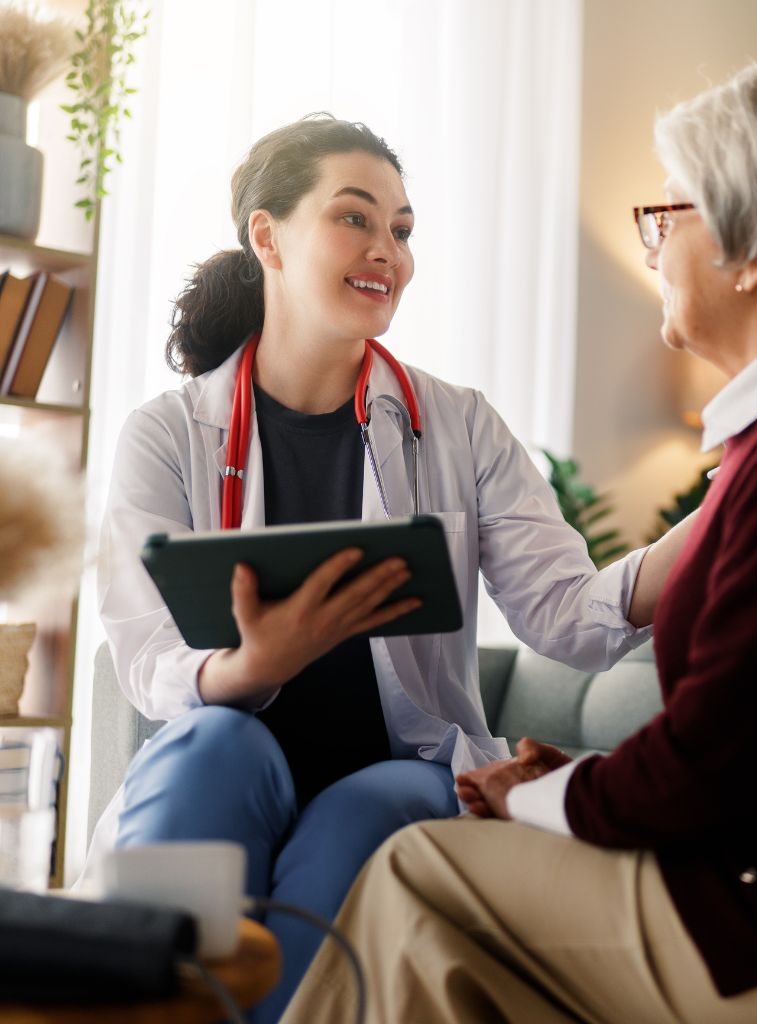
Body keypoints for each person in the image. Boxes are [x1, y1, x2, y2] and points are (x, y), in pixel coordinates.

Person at [281, 49, 757, 1024]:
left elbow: (717, 759)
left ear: (755, 247)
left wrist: (539, 799)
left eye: (669, 215)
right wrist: (573, 782)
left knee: (419, 872)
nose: (650, 247)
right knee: (453, 955)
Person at [94, 115, 691, 1022]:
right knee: (210, 749)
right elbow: (145, 656)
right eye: (356, 219)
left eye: (403, 231)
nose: (389, 253)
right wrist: (253, 669)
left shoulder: (459, 425)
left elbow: (570, 614)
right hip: (227, 749)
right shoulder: (169, 434)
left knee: (364, 810)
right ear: (268, 236)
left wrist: (723, 517)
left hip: (400, 762)